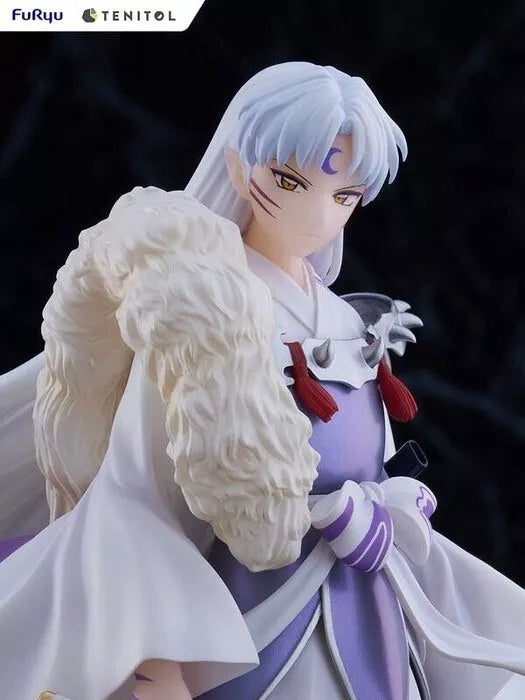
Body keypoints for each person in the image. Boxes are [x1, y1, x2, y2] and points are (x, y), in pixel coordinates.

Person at [0, 62, 524, 700]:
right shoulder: (199, 316)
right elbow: (140, 495)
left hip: (368, 595)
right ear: (238, 167)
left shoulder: (345, 317)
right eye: (289, 181)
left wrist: (397, 501)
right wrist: (156, 659)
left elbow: (374, 460)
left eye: (343, 195)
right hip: (248, 609)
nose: (317, 213)